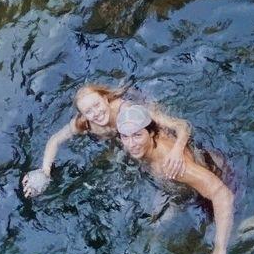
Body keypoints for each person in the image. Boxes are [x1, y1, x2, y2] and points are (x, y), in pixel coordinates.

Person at [116, 102, 234, 254]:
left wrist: (219, 250)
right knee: (155, 225)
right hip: (186, 188)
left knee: (235, 238)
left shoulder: (172, 166)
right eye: (125, 137)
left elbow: (222, 194)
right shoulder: (143, 138)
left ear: (151, 133)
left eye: (137, 135)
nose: (131, 144)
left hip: (224, 183)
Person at [21, 83, 192, 197]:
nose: (96, 113)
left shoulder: (129, 111)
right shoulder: (85, 124)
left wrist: (177, 149)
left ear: (105, 99)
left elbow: (182, 125)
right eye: (88, 111)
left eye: (97, 105)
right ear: (83, 115)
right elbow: (55, 140)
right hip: (119, 138)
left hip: (139, 120)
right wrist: (45, 171)